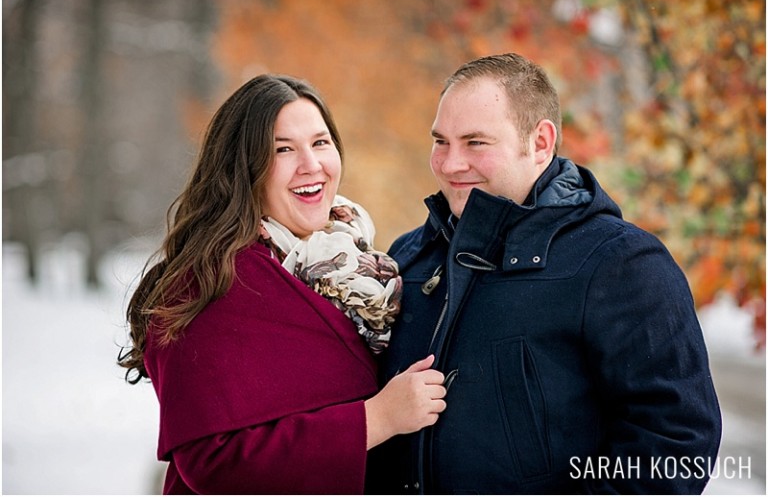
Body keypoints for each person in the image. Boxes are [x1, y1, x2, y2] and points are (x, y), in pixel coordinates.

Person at [366, 53, 722, 494]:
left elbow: (674, 447)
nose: (451, 163)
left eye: (475, 143)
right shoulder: (410, 255)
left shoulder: (621, 264)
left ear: (540, 143)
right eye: (441, 141)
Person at [118, 74, 446, 494]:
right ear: (242, 168)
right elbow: (212, 464)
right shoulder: (206, 283)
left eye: (320, 142)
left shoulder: (355, 265)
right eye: (283, 149)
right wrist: (377, 419)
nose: (311, 164)